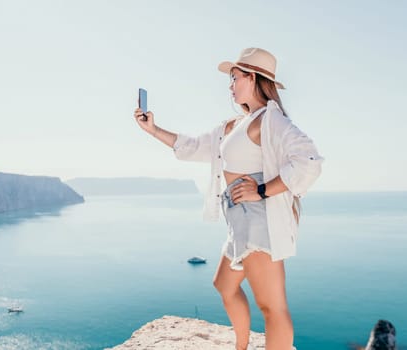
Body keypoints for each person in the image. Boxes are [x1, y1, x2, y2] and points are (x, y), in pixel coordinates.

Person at [133, 47, 323, 350]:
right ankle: (242, 346)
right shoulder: (233, 125)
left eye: (234, 78)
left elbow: (309, 161)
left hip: (258, 221)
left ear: (253, 78)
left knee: (273, 308)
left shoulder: (270, 120)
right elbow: (195, 146)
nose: (230, 86)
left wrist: (261, 190)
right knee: (224, 285)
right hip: (238, 221)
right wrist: (152, 129)